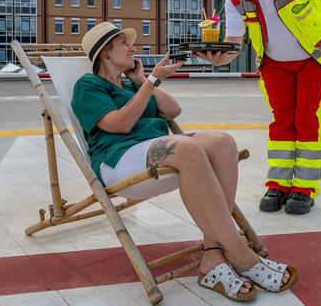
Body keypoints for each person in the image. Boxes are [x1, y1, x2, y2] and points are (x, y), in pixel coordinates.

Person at [71, 22, 298, 301]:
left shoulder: (134, 84)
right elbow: (120, 124)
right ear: (105, 53)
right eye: (123, 44)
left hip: (154, 149)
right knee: (189, 148)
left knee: (222, 142)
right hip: (118, 159)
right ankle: (239, 254)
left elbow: (172, 110)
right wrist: (153, 80)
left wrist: (143, 80)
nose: (133, 48)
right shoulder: (88, 85)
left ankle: (213, 256)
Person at [195, 0, 321, 215]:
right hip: (274, 63)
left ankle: (304, 189)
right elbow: (233, 41)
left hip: (314, 58)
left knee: (307, 119)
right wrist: (219, 60)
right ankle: (278, 184)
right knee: (281, 121)